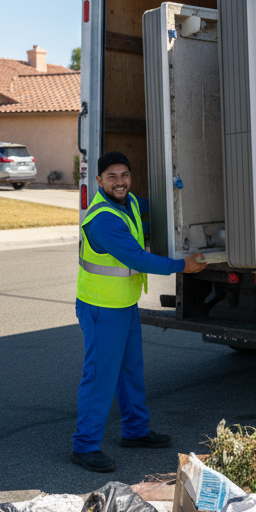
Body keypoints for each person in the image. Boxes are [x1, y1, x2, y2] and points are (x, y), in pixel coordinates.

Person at [73, 151, 205, 473]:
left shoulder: (129, 202)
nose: (120, 182)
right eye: (112, 177)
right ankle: (85, 445)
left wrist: (181, 188)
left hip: (124, 305)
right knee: (100, 376)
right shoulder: (102, 218)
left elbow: (155, 206)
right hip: (102, 308)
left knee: (130, 370)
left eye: (125, 175)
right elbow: (139, 259)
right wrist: (181, 266)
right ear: (99, 181)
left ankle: (135, 431)